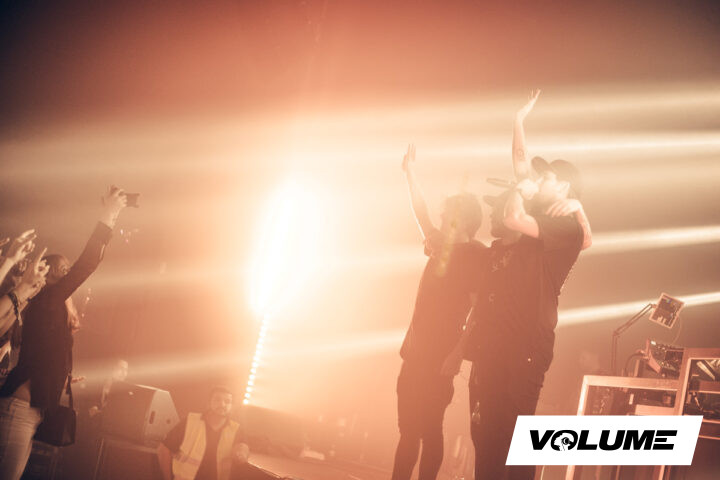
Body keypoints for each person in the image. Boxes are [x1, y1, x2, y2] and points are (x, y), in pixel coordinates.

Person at [465, 91, 591, 480]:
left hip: (527, 344)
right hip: (499, 339)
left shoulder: (565, 224)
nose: (538, 179)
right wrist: (518, 121)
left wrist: (525, 192)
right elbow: (521, 162)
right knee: (487, 434)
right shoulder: (546, 209)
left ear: (564, 187)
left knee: (514, 437)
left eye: (547, 177)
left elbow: (514, 218)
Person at [0, 186, 128, 480]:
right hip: (19, 408)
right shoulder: (45, 300)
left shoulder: (51, 309)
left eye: (67, 268)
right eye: (61, 268)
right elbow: (88, 264)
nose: (67, 272)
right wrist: (109, 214)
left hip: (30, 409)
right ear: (45, 273)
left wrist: (64, 374)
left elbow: (45, 351)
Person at [391, 144, 488, 480]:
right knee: (407, 430)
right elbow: (421, 213)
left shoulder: (475, 256)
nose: (442, 218)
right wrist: (410, 174)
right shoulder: (438, 244)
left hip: (441, 356)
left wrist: (458, 352)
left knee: (430, 428)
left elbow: (478, 312)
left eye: (448, 215)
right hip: (415, 351)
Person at [157, 386, 277, 480]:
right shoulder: (190, 421)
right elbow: (163, 450)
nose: (222, 404)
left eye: (227, 401)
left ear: (232, 406)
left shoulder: (236, 429)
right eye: (217, 399)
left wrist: (242, 453)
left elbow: (243, 446)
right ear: (209, 403)